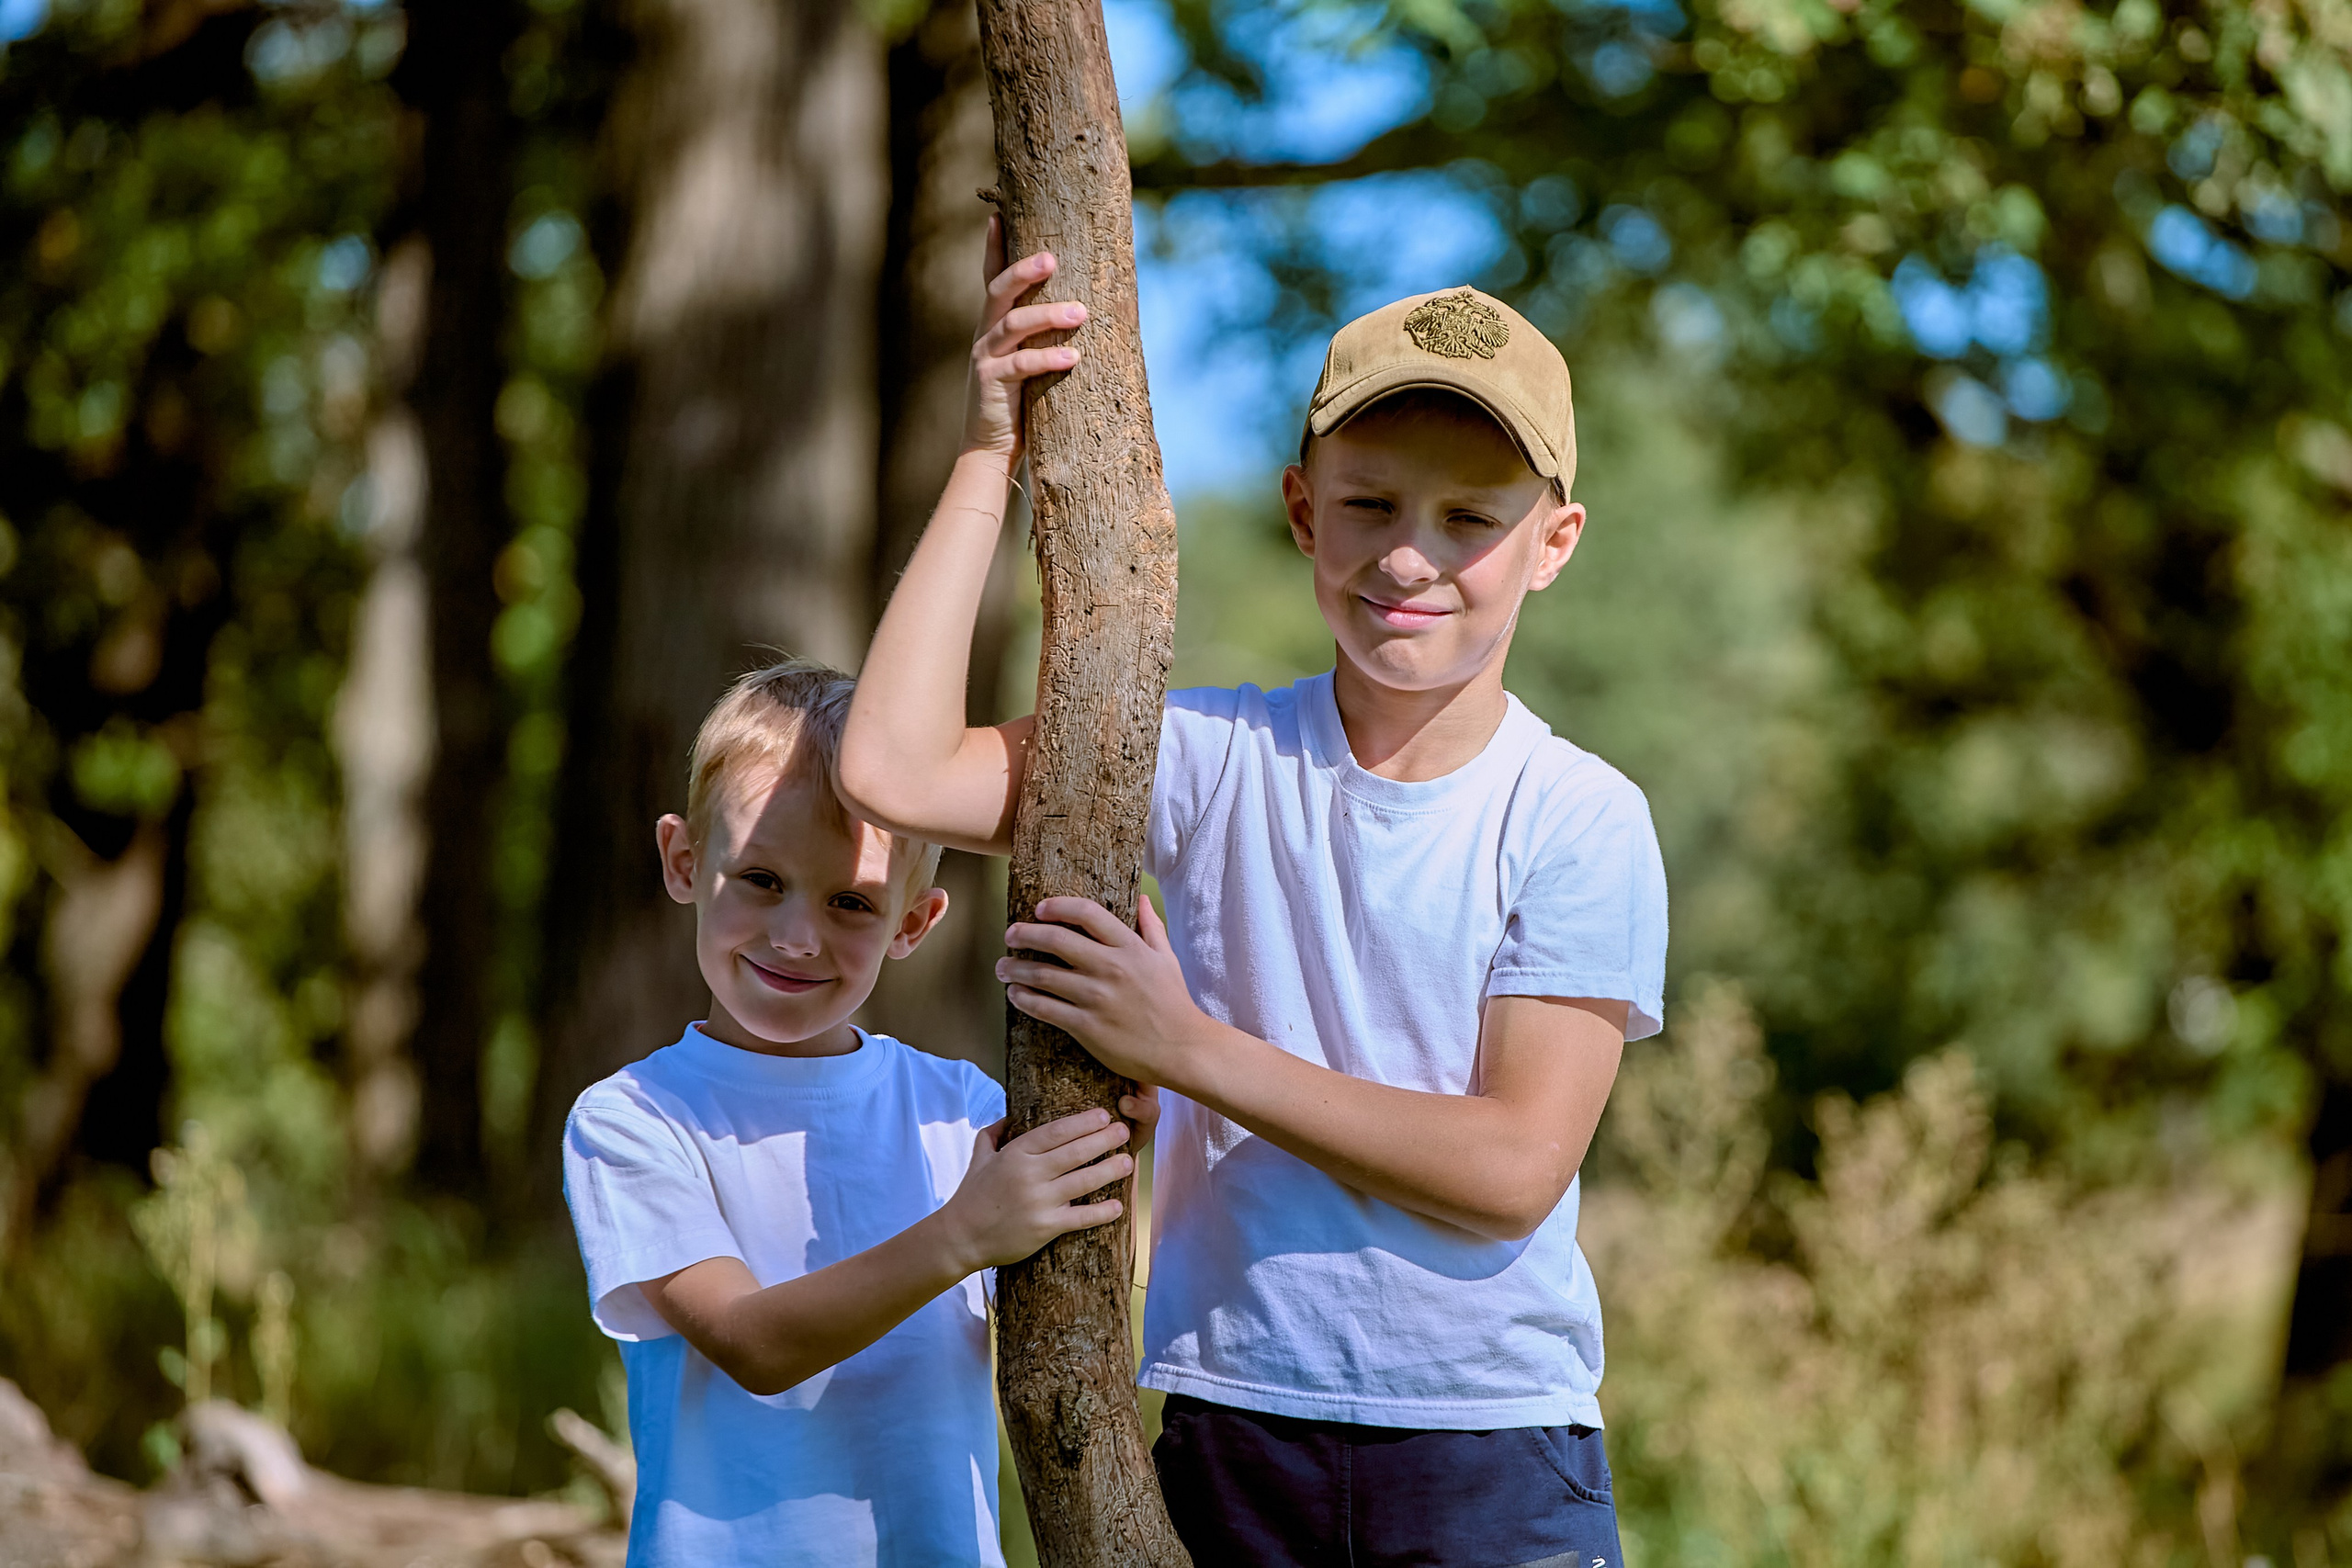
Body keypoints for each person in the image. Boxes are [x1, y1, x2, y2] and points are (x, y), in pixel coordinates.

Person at [839, 220, 1668, 1567]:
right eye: (1370, 504)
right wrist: (989, 450)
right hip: (1230, 1429)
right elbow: (892, 768)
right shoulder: (1205, 757)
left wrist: (1184, 1047)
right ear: (1300, 511)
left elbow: (1512, 1170)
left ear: (1553, 542)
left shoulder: (1577, 814)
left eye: (1470, 519)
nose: (1410, 557)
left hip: (1487, 1449)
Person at [561, 660, 1148, 1567]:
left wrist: (1120, 1140)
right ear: (684, 862)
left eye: (850, 902)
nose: (797, 937)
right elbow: (752, 1345)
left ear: (913, 923)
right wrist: (961, 1234)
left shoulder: (961, 1109)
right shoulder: (632, 1118)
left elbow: (1083, 1305)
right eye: (762, 879)